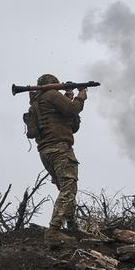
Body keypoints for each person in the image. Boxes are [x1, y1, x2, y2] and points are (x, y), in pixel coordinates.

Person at [28, 74, 87, 243]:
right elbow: (73, 109)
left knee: (65, 188)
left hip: (45, 152)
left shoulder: (36, 104)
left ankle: (72, 226)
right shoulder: (52, 95)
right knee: (68, 187)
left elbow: (72, 126)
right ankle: (54, 231)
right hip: (60, 149)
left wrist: (68, 98)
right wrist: (80, 97)